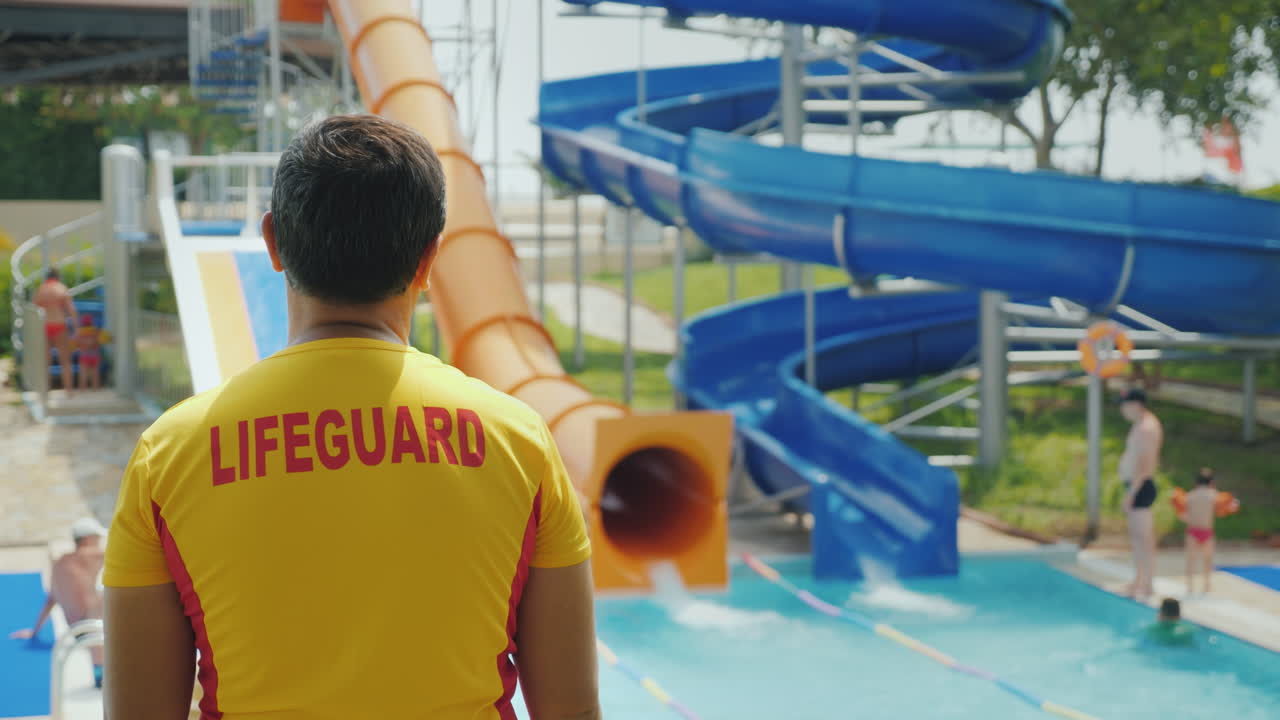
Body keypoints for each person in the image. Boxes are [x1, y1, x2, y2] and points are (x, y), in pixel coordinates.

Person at [102, 115, 600, 720]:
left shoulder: (170, 453)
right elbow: (570, 709)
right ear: (428, 260)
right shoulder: (518, 443)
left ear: (273, 244)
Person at [10, 518, 107, 688]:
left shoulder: (60, 564)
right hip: (94, 631)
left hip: (77, 632)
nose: (99, 543)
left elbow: (51, 600)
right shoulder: (93, 555)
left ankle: (99, 671)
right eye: (97, 539)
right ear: (88, 539)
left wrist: (34, 631)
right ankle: (101, 671)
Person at [1118, 388, 1163, 599]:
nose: (1121, 410)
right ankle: (1139, 580)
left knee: (1144, 538)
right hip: (1137, 486)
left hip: (1141, 487)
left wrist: (1132, 493)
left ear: (1136, 404)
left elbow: (1146, 464)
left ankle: (1148, 583)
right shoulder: (1141, 425)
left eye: (1124, 405)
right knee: (1136, 538)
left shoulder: (1147, 428)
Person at [32, 268, 78, 392]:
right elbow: (71, 310)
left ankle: (45, 390)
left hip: (45, 325)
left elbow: (34, 310)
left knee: (46, 361)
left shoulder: (41, 289)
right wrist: (75, 327)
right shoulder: (61, 288)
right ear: (58, 277)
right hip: (59, 324)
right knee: (65, 361)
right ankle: (69, 391)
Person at [1179, 468, 1221, 594]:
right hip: (1207, 531)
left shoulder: (1190, 496)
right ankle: (1206, 585)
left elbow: (1182, 515)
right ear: (1211, 482)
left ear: (1196, 482)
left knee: (1190, 560)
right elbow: (1222, 510)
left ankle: (1189, 586)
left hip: (1192, 531)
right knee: (1207, 560)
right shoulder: (1213, 495)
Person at [75, 315, 107, 391]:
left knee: (83, 374)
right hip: (95, 356)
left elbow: (77, 343)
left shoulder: (80, 332)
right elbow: (99, 342)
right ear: (91, 323)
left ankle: (82, 388)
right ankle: (95, 388)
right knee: (95, 374)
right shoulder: (95, 331)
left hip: (84, 355)